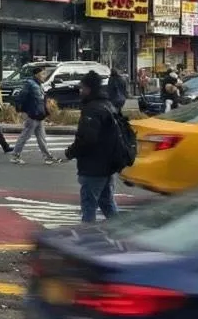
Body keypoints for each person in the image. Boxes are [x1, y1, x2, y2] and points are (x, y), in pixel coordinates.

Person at [64, 70, 121, 223]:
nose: (80, 91)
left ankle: (87, 239)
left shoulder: (92, 109)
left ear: (89, 88)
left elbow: (87, 139)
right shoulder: (107, 104)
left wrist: (70, 152)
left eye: (82, 88)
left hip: (94, 166)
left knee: (89, 206)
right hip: (108, 165)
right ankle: (121, 233)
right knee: (107, 203)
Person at [11, 67, 57, 164]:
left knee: (41, 137)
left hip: (39, 115)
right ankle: (15, 156)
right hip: (32, 115)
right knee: (25, 136)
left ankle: (47, 157)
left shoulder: (39, 85)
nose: (44, 76)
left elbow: (40, 100)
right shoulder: (30, 84)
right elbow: (20, 97)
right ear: (37, 74)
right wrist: (22, 111)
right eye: (42, 74)